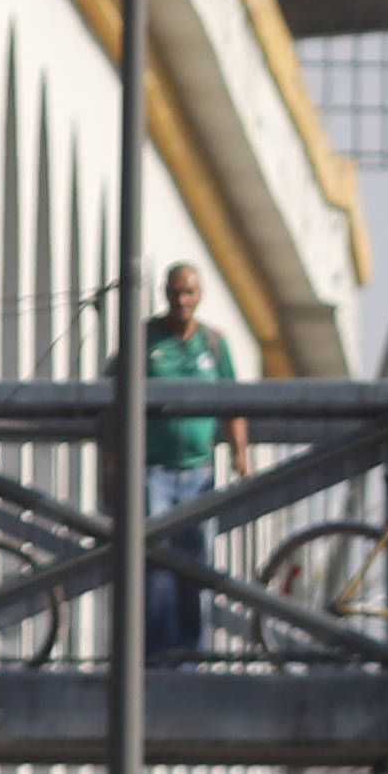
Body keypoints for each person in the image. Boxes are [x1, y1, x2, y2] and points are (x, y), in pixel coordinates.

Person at [144, 261, 241, 658]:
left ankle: (190, 654)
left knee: (196, 565)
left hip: (199, 472)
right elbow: (112, 401)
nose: (181, 300)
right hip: (153, 470)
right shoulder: (145, 340)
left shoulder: (214, 343)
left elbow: (234, 403)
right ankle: (156, 656)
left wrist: (241, 455)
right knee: (154, 565)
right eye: (175, 293)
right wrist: (111, 466)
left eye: (188, 293)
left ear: (199, 296)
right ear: (165, 294)